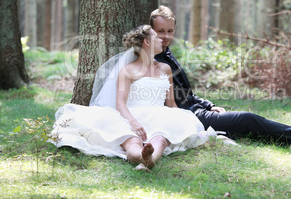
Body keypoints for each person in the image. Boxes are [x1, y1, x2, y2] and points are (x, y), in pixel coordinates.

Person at [150, 5, 291, 148]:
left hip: (196, 109)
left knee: (246, 127)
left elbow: (186, 92)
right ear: (151, 31)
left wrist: (208, 104)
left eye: (170, 31)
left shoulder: (166, 52)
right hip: (187, 117)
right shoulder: (151, 61)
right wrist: (199, 112)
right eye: (160, 31)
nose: (166, 36)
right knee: (246, 119)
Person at [50, 25, 213, 171]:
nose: (161, 39)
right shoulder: (128, 70)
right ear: (147, 42)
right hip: (130, 114)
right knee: (132, 141)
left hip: (160, 114)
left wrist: (178, 120)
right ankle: (141, 156)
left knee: (160, 139)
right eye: (156, 36)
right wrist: (133, 122)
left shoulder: (165, 68)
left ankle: (150, 158)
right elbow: (120, 103)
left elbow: (171, 103)